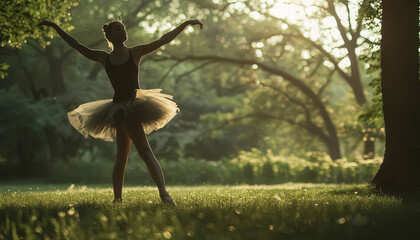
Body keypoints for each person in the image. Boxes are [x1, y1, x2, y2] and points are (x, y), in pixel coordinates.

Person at [37, 18, 203, 205]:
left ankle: (129, 198)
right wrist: (55, 26)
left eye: (123, 28)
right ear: (109, 35)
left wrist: (185, 24)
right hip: (119, 110)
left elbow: (163, 39)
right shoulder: (104, 57)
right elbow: (77, 45)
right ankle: (159, 195)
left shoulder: (135, 52)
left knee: (127, 155)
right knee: (139, 153)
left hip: (133, 107)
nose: (123, 31)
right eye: (118, 29)